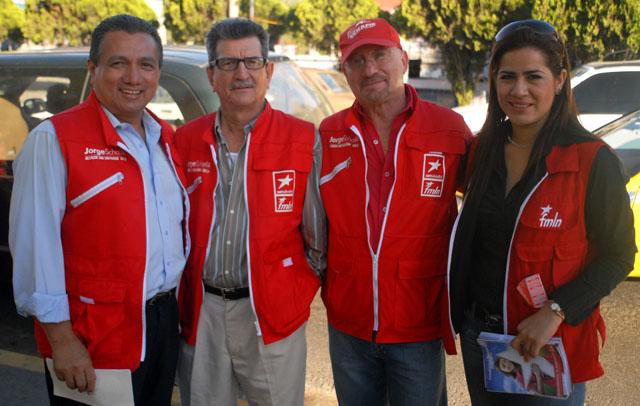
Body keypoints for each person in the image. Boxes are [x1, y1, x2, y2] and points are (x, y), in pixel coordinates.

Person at [448, 19, 636, 405]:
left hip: (547, 345)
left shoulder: (592, 161)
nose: (519, 91)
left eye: (534, 76)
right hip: (480, 339)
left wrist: (556, 311)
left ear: (560, 79)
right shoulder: (481, 152)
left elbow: (619, 255)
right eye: (507, 77)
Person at [10, 14, 188, 405]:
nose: (133, 77)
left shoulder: (164, 138)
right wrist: (62, 341)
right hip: (94, 335)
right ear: (93, 69)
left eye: (146, 64)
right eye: (118, 63)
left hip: (160, 324)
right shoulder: (53, 140)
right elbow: (35, 251)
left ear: (158, 71)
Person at [319, 18, 472, 405]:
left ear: (403, 60)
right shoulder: (327, 136)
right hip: (349, 325)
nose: (369, 69)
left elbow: (487, 213)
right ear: (345, 73)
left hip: (418, 325)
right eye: (357, 61)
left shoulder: (450, 130)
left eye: (379, 55)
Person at [174, 18, 325, 406]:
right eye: (228, 63)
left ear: (268, 71)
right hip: (202, 312)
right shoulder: (185, 141)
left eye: (252, 62)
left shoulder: (303, 139)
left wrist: (292, 289)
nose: (241, 73)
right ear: (211, 75)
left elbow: (319, 239)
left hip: (272, 317)